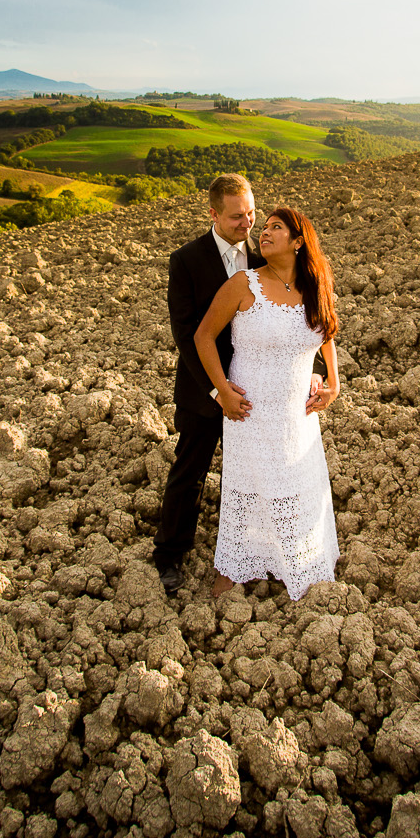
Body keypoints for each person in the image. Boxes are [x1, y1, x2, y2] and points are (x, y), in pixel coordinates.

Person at [194, 205, 341, 602]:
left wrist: (333, 380)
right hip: (251, 411)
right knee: (248, 486)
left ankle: (297, 558)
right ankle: (233, 566)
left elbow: (326, 332)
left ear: (298, 242)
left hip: (297, 414)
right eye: (267, 226)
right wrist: (223, 389)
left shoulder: (314, 288)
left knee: (295, 482)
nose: (266, 232)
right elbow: (203, 336)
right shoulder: (245, 283)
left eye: (278, 228)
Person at [156, 173, 263, 595]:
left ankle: (252, 550)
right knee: (191, 472)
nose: (248, 223)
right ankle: (169, 554)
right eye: (238, 216)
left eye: (252, 213)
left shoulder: (263, 259)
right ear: (213, 213)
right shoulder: (185, 261)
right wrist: (217, 389)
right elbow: (186, 334)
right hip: (204, 392)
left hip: (254, 390)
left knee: (255, 474)